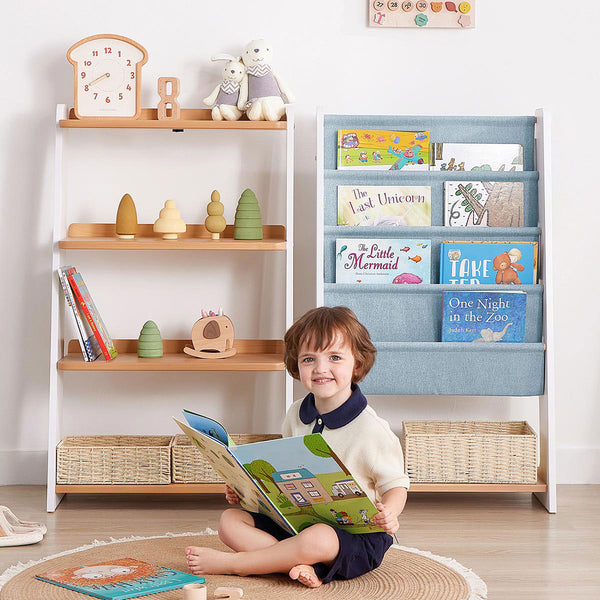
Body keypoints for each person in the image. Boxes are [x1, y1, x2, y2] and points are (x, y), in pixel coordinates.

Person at [185, 306, 410, 587]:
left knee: (318, 537)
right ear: (296, 364)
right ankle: (296, 564)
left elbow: (396, 485)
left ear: (358, 364)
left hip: (353, 538)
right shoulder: (294, 413)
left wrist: (389, 512)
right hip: (296, 523)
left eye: (335, 357)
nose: (320, 368)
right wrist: (246, 491)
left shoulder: (372, 429)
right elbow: (284, 474)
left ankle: (237, 565)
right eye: (308, 359)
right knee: (230, 521)